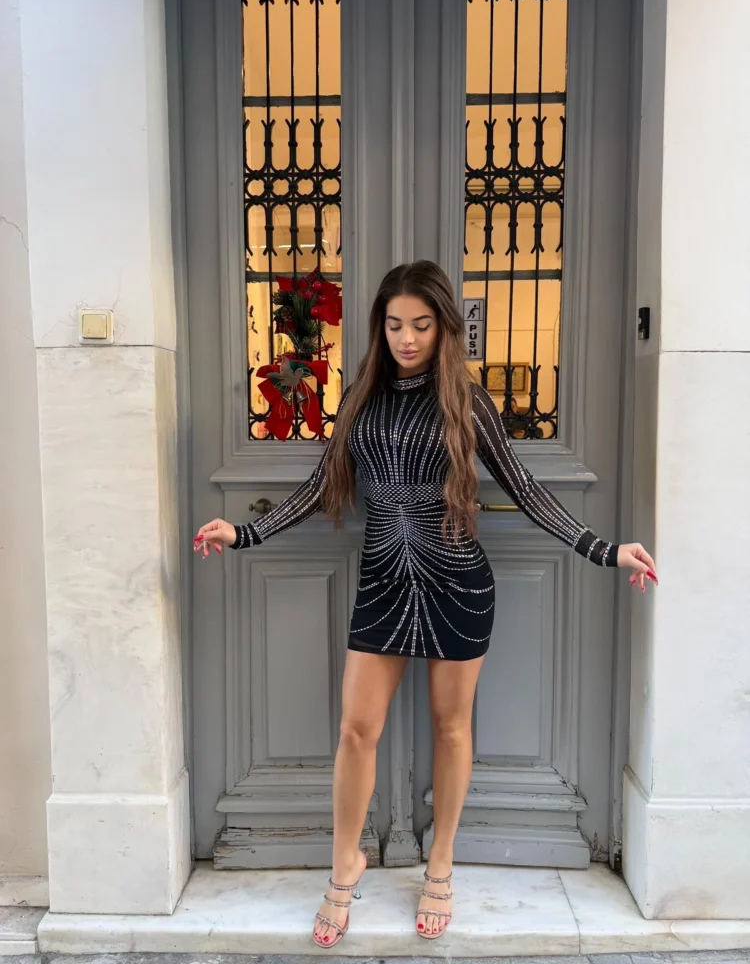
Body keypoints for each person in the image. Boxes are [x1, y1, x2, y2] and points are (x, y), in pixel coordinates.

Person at [194, 260, 657, 948]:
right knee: (357, 729)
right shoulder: (361, 397)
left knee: (451, 729)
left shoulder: (467, 403)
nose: (406, 339)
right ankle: (344, 867)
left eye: (420, 325)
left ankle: (440, 863)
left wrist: (603, 549)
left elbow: (526, 489)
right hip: (383, 583)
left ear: (443, 328)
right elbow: (320, 485)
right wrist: (245, 533)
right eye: (394, 325)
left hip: (457, 584)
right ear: (378, 328)